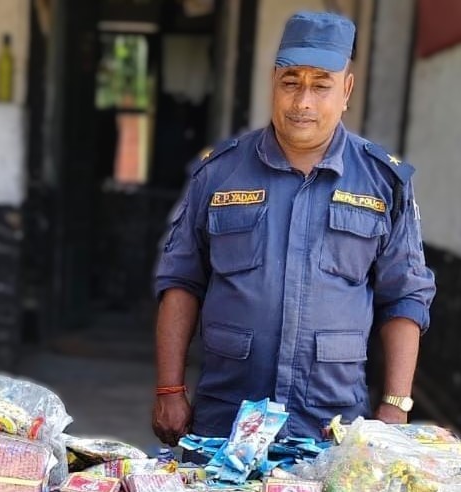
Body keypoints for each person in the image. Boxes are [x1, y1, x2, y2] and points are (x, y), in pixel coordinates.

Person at [152, 11, 436, 448]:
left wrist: (395, 405)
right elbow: (181, 281)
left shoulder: (383, 182)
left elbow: (404, 296)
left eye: (321, 85)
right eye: (291, 82)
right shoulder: (219, 173)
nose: (303, 101)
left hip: (331, 424)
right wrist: (169, 388)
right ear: (274, 83)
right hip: (226, 418)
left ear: (346, 90)